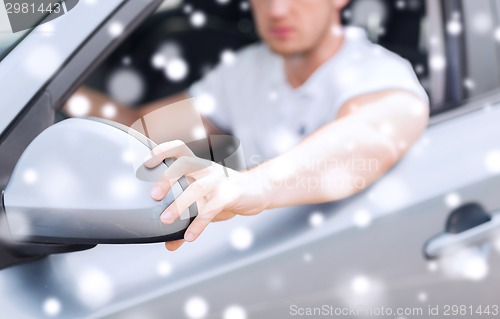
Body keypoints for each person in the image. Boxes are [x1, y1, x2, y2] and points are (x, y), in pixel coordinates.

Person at [72, 0, 429, 251]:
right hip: (257, 252)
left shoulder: (380, 74)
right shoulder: (247, 69)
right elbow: (139, 130)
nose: (276, 10)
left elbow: (365, 140)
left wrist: (251, 185)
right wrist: (53, 92)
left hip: (343, 254)